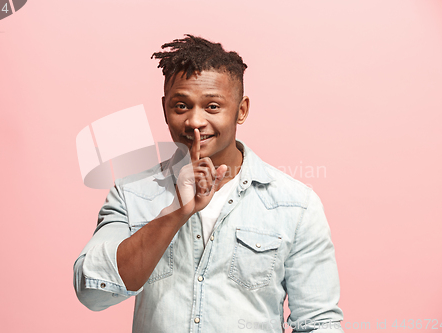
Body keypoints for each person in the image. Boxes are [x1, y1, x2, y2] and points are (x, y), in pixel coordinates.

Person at [74, 34, 344, 333]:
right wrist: (177, 212)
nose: (194, 121)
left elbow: (318, 323)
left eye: (213, 107)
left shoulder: (296, 203)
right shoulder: (130, 193)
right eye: (181, 106)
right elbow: (93, 293)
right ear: (165, 109)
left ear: (241, 110)